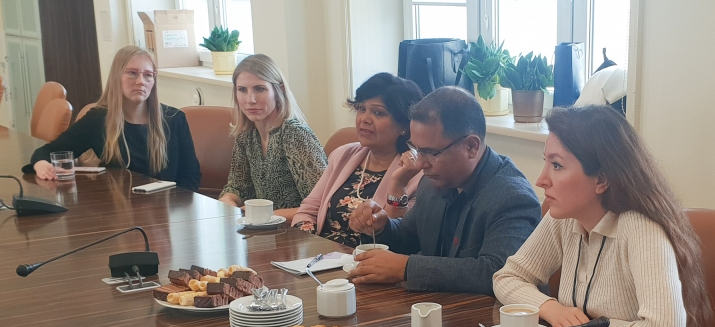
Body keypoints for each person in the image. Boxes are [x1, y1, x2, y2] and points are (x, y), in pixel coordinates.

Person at [493, 105, 711, 327]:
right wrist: (552, 309)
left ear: (602, 180)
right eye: (546, 162)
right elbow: (507, 277)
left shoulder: (641, 229)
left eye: (557, 165)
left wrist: (597, 325)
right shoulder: (564, 217)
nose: (541, 180)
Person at [347, 86, 540, 294]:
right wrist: (381, 226)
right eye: (417, 150)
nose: (421, 163)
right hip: (440, 308)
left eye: (431, 153)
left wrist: (406, 268)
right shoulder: (433, 183)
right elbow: (407, 237)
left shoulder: (514, 198)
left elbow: (497, 273)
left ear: (471, 146)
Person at [23, 46, 200, 191]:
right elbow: (48, 151)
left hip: (166, 211)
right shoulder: (98, 119)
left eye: (148, 75)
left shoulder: (174, 119)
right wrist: (41, 164)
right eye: (132, 73)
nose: (141, 81)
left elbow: (191, 177)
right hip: (120, 211)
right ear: (116, 77)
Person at [290, 73, 424, 247]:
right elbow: (308, 211)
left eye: (378, 112)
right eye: (361, 108)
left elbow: (398, 239)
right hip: (319, 255)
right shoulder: (343, 155)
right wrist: (310, 246)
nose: (364, 119)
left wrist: (398, 185)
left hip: (368, 259)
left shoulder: (417, 173)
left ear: (404, 126)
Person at [219, 54, 327, 214]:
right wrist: (228, 199)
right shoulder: (246, 134)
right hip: (263, 224)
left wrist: (267, 215)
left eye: (259, 89)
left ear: (279, 90)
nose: (250, 99)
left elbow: (322, 205)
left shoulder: (295, 133)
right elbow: (238, 187)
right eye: (242, 90)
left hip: (299, 227)